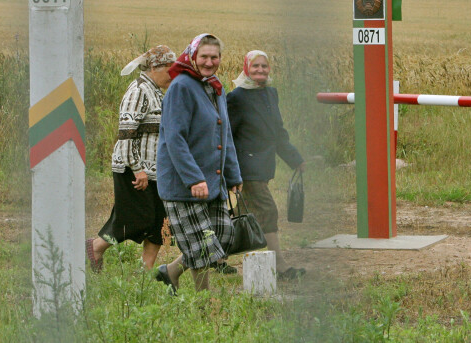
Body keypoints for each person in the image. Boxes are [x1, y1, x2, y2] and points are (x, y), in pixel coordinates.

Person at [155, 33, 242, 293]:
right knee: (202, 248)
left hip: (212, 181)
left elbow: (224, 135)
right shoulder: (181, 86)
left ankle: (171, 271)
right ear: (193, 56)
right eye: (204, 56)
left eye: (214, 57)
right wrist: (194, 179)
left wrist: (234, 176)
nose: (209, 61)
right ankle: (205, 304)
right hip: (184, 184)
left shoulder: (214, 86)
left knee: (222, 237)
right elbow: (175, 139)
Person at [86, 45, 176, 272]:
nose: (173, 75)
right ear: (156, 67)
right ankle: (95, 247)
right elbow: (126, 133)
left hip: (156, 171)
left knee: (159, 223)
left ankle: (144, 274)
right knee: (134, 219)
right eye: (170, 69)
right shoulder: (138, 91)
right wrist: (137, 169)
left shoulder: (156, 91)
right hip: (133, 169)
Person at [227, 50, 306, 280]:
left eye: (264, 66)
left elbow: (278, 133)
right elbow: (227, 136)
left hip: (263, 168)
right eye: (255, 66)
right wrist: (230, 172)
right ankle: (280, 266)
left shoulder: (271, 94)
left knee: (238, 215)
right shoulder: (237, 97)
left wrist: (295, 159)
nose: (260, 70)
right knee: (267, 210)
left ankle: (217, 259)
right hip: (246, 169)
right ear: (246, 69)